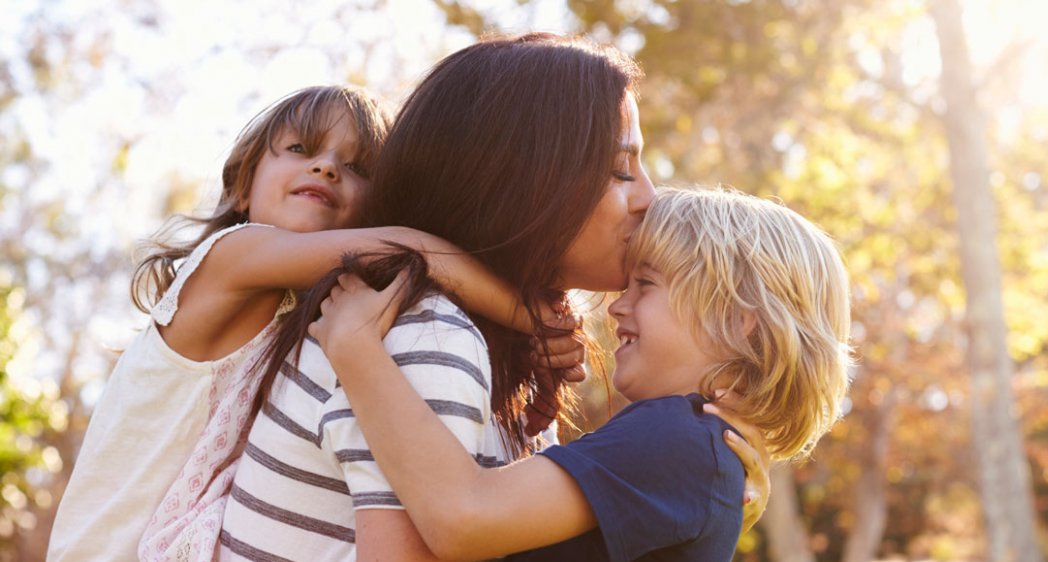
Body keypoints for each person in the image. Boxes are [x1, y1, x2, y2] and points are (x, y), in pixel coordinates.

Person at [216, 34, 771, 562]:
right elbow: (460, 519)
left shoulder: (476, 344)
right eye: (620, 168)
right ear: (523, 181)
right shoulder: (424, 338)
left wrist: (691, 496)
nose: (649, 197)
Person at [47, 85, 581, 562]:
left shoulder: (306, 311)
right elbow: (413, 251)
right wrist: (532, 319)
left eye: (357, 168)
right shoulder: (228, 259)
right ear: (241, 188)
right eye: (301, 149)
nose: (327, 168)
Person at [315, 187, 853, 561]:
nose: (618, 307)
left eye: (646, 284)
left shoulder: (677, 436)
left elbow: (462, 517)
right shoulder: (696, 448)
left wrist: (355, 346)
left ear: (739, 323)